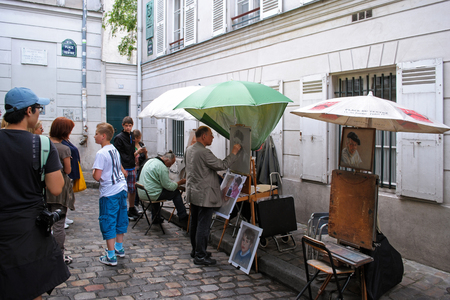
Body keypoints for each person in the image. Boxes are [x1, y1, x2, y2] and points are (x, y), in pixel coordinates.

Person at [0, 87, 69, 299]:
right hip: (28, 228)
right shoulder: (41, 144)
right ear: (28, 111)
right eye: (39, 108)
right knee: (31, 287)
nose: (40, 112)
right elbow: (56, 188)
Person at [184, 126, 241, 265]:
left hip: (194, 192)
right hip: (204, 194)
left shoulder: (189, 150)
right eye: (211, 135)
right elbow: (222, 165)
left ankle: (196, 250)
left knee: (195, 223)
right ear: (203, 136)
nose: (213, 137)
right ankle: (200, 256)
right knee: (203, 225)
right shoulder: (204, 152)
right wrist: (234, 152)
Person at [92, 122, 129, 266]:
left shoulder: (101, 153)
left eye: (96, 134)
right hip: (121, 188)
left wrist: (93, 170)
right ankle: (119, 248)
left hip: (109, 191)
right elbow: (119, 167)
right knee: (120, 217)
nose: (94, 136)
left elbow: (97, 176)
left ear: (103, 136)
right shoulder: (113, 149)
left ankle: (111, 255)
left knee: (108, 220)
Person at [45, 117, 76, 265]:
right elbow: (68, 170)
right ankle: (59, 255)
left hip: (44, 186)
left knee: (45, 223)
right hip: (60, 187)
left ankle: (45, 253)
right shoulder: (64, 149)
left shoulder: (44, 144)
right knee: (58, 225)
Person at [137, 151, 188, 225]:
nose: (169, 166)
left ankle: (156, 217)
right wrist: (179, 183)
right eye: (170, 164)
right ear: (167, 160)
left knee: (157, 190)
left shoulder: (151, 160)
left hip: (142, 192)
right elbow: (168, 186)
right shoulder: (162, 167)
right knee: (176, 193)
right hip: (150, 194)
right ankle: (182, 216)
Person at [114, 116, 141, 221]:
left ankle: (131, 208)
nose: (128, 128)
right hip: (123, 167)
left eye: (130, 126)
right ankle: (121, 210)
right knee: (122, 190)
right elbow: (117, 155)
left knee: (132, 189)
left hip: (131, 166)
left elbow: (131, 152)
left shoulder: (132, 136)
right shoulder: (119, 138)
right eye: (126, 126)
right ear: (123, 125)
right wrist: (121, 168)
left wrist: (137, 154)